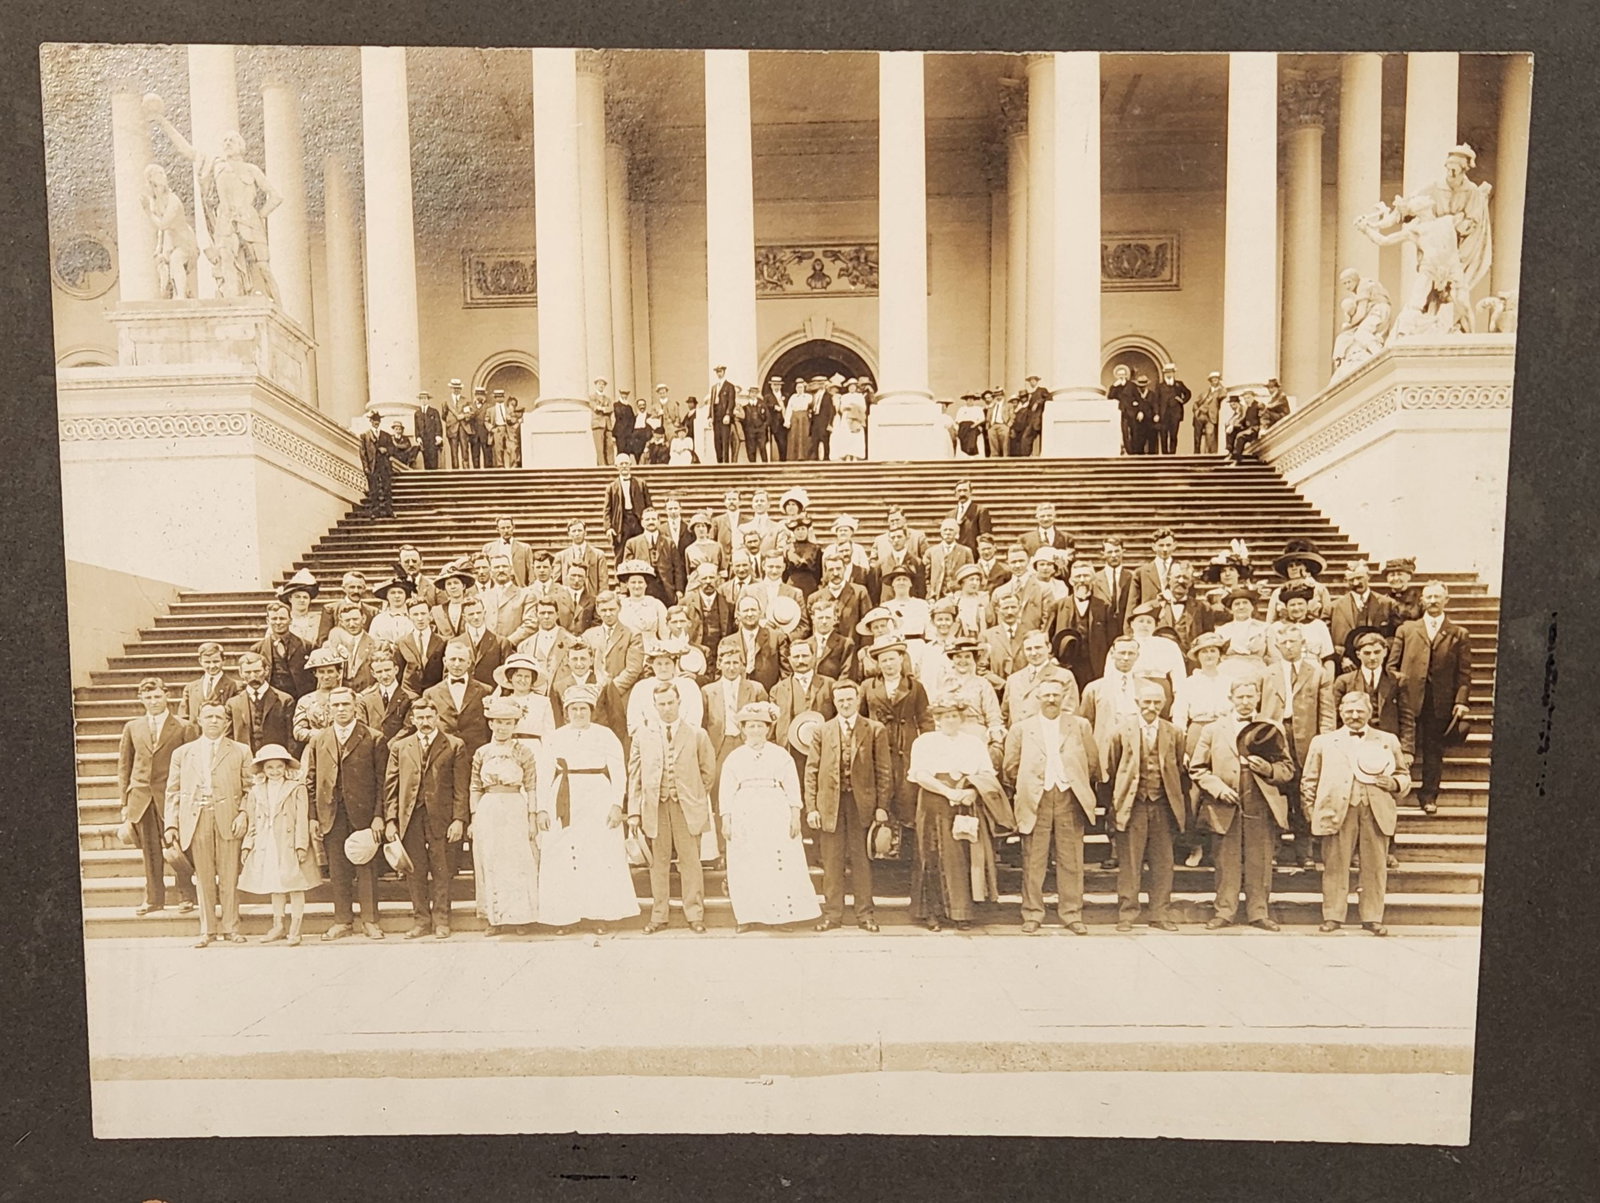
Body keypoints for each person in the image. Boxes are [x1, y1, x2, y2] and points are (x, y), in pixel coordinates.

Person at [1191, 679, 1296, 931]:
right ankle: (1224, 912)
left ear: (1258, 697)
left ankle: (1258, 912)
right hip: (1225, 802)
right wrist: (1219, 789)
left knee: (1259, 860)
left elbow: (1287, 769)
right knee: (1226, 860)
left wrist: (1269, 769)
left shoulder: (1271, 729)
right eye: (1240, 697)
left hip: (1259, 800)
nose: (1246, 702)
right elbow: (1198, 768)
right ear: (1231, 698)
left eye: (1250, 696)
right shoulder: (1213, 730)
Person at [1304, 691, 1412, 936]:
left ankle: (1372, 917)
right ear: (1340, 712)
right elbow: (1309, 779)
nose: (1354, 716)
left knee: (1375, 866)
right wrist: (1311, 810)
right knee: (1335, 865)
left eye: (1360, 711)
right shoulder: (1323, 742)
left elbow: (1404, 775)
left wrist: (1394, 783)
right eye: (1349, 711)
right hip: (1337, 810)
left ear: (1370, 713)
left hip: (1375, 810)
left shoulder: (1387, 740)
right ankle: (1333, 915)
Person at [1002, 675, 1099, 935]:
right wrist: (1032, 785)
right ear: (1038, 698)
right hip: (1037, 799)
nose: (1051, 699)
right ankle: (1033, 913)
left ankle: (1071, 913)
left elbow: (1092, 763)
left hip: (1069, 797)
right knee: (1033, 860)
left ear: (1064, 697)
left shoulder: (1079, 725)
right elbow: (1010, 767)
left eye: (1056, 695)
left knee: (1071, 860)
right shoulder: (1022, 729)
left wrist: (1072, 783)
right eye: (1046, 695)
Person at [907, 691, 1010, 932]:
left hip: (965, 802)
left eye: (954, 715)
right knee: (931, 854)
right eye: (945, 716)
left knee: (962, 856)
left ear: (961, 718)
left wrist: (972, 791)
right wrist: (947, 792)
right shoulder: (925, 742)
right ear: (937, 719)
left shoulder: (973, 743)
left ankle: (961, 912)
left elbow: (986, 773)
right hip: (934, 801)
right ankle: (932, 913)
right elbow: (920, 775)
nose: (950, 720)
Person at [538, 685, 639, 931]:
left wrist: (616, 804)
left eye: (583, 708)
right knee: (563, 856)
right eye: (574, 709)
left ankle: (598, 915)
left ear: (591, 711)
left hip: (597, 797)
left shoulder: (605, 735)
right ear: (566, 712)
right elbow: (544, 774)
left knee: (597, 855)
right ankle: (564, 917)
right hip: (563, 797)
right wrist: (542, 808)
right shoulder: (555, 737)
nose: (579, 713)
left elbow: (619, 772)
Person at [717, 701, 821, 932]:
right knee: (747, 863)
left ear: (768, 728)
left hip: (775, 811)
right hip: (745, 813)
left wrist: (795, 815)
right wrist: (726, 819)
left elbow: (792, 787)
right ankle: (748, 916)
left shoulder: (780, 755)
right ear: (743, 729)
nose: (755, 730)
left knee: (776, 863)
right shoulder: (735, 757)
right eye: (751, 726)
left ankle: (780, 916)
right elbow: (726, 791)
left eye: (760, 726)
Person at [802, 679, 891, 932]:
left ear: (858, 700)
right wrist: (812, 808)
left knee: (861, 861)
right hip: (830, 804)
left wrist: (882, 806)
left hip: (862, 805)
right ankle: (832, 915)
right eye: (840, 700)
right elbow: (811, 771)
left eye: (849, 699)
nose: (845, 704)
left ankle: (865, 914)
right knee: (832, 862)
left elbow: (884, 771)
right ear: (834, 702)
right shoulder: (822, 731)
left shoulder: (874, 729)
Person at [628, 681, 717, 933]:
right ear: (654, 706)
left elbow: (708, 772)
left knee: (691, 861)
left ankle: (695, 914)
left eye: (670, 702)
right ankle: (659, 916)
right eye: (661, 704)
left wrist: (692, 795)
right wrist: (634, 812)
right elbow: (635, 775)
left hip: (686, 807)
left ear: (679, 702)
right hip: (656, 807)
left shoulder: (697, 734)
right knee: (658, 863)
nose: (666, 708)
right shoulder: (643, 735)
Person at [163, 702, 253, 947]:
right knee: (203, 878)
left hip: (229, 819)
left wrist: (244, 814)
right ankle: (208, 930)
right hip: (196, 819)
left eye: (219, 717)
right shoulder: (183, 753)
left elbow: (250, 787)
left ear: (227, 723)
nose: (213, 721)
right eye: (208, 716)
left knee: (229, 876)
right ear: (199, 721)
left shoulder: (241, 751)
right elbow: (172, 791)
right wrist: (171, 824)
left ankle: (231, 927)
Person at [1105, 681, 1187, 931]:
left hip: (1162, 805)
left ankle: (1160, 914)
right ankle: (1127, 915)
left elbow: (1177, 771)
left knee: (1163, 863)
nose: (1151, 707)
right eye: (1147, 702)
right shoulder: (1121, 732)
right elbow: (1114, 768)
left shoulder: (1174, 733)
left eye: (1157, 702)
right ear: (1137, 702)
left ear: (1165, 704)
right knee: (1130, 864)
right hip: (1133, 805)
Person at [1387, 581, 1473, 815]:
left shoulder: (1459, 633)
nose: (1433, 601)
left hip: (1440, 701)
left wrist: (1461, 701)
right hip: (1409, 698)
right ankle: (1394, 792)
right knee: (1401, 745)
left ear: (1446, 600)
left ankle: (1429, 795)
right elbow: (1392, 665)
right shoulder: (1406, 629)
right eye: (1429, 597)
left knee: (1434, 750)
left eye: (1437, 597)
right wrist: (1399, 687)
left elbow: (1464, 673)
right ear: (1422, 601)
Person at [118, 678, 198, 916]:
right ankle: (154, 898)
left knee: (178, 848)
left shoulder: (184, 727)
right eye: (148, 697)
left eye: (157, 696)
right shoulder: (132, 727)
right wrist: (124, 802)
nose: (153, 701)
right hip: (141, 797)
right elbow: (125, 766)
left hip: (172, 797)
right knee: (150, 850)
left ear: (167, 695)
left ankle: (186, 895)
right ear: (141, 699)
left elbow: (192, 766)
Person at [1260, 623, 1335, 868]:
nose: (1289, 647)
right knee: (1275, 794)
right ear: (1277, 646)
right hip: (1274, 739)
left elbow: (1326, 712)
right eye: (1283, 643)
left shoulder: (1318, 673)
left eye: (1293, 641)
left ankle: (1305, 852)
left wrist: (1325, 743)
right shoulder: (1266, 674)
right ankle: (1273, 850)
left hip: (1306, 739)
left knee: (1303, 794)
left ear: (1303, 644)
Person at [468, 696, 542, 935]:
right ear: (491, 723)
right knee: (490, 860)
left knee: (516, 861)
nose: (502, 727)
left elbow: (531, 786)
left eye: (508, 722)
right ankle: (495, 918)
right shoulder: (482, 752)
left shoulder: (524, 752)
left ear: (515, 724)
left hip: (514, 808)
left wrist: (532, 818)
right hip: (489, 808)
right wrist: (474, 818)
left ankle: (520, 918)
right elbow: (475, 787)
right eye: (498, 722)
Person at [238, 744, 321, 945]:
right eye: (270, 767)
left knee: (295, 885)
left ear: (286, 767)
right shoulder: (256, 791)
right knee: (275, 884)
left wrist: (301, 846)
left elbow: (301, 818)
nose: (275, 771)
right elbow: (252, 821)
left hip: (288, 842)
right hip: (267, 842)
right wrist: (247, 845)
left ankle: (295, 927)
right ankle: (278, 925)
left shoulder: (296, 788)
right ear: (263, 769)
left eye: (279, 767)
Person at [419, 641, 494, 759]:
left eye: (461, 660)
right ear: (445, 661)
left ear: (469, 663)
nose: (457, 664)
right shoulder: (431, 693)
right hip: (443, 754)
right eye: (453, 659)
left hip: (475, 753)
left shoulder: (485, 691)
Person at [492, 652, 557, 747]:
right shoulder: (503, 702)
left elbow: (549, 733)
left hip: (534, 748)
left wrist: (547, 753)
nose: (523, 680)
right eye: (519, 675)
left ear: (533, 679)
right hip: (507, 746)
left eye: (527, 677)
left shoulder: (542, 702)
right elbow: (496, 732)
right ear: (510, 677)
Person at [255, 602, 314, 701]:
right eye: (274, 619)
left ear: (290, 620)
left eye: (282, 618)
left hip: (299, 697)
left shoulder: (306, 646)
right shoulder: (258, 649)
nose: (278, 622)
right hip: (271, 699)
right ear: (267, 621)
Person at [291, 646, 347, 748]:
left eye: (330, 671)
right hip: (316, 748)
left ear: (338, 673)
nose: (326, 676)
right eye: (321, 672)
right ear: (315, 674)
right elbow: (298, 731)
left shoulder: (350, 698)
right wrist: (321, 734)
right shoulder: (306, 700)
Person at [357, 648, 416, 742]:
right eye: (379, 672)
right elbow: (362, 726)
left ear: (396, 670)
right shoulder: (365, 700)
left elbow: (409, 728)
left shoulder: (411, 698)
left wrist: (392, 744)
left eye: (388, 670)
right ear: (373, 674)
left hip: (398, 746)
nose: (384, 676)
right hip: (374, 746)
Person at [177, 641, 240, 726]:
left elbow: (236, 719)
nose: (212, 666)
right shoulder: (190, 688)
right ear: (200, 661)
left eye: (216, 661)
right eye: (207, 662)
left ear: (223, 660)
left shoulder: (234, 686)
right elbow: (183, 718)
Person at [604, 455, 652, 560]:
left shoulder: (641, 484)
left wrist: (649, 520)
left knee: (641, 551)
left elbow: (649, 505)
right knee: (620, 554)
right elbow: (607, 510)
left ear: (630, 465)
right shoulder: (611, 488)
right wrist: (608, 528)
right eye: (621, 464)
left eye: (626, 463)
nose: (624, 466)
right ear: (616, 466)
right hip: (621, 523)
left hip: (638, 521)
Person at [359, 409, 395, 519]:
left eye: (378, 420)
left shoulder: (386, 435)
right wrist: (365, 466)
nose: (376, 422)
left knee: (387, 488)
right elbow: (363, 453)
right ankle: (375, 511)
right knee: (373, 489)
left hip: (384, 465)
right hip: (372, 466)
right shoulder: (365, 436)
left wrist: (386, 450)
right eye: (374, 420)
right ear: (370, 421)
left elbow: (392, 448)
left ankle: (389, 510)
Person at [1192, 370, 1224, 454]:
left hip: (1211, 417)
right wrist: (1197, 411)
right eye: (1213, 378)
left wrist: (1222, 386)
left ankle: (1210, 453)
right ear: (1210, 380)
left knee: (1210, 435)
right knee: (1197, 436)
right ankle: (1196, 452)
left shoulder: (1221, 391)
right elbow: (1196, 403)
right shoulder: (1205, 392)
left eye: (1216, 378)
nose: (1215, 380)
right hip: (1200, 415)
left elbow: (1224, 395)